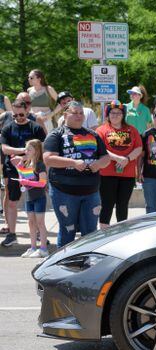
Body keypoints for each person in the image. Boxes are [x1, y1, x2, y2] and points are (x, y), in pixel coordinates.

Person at [43, 102, 110, 247]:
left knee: (90, 234)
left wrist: (98, 164)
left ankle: (87, 265)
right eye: (75, 113)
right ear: (65, 114)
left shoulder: (93, 134)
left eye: (81, 113)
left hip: (91, 192)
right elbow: (48, 158)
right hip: (64, 192)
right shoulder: (56, 134)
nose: (79, 116)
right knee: (68, 231)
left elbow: (105, 158)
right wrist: (73, 163)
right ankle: (62, 266)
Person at [0, 100, 46, 247]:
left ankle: (40, 234)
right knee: (12, 202)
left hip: (34, 170)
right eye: (15, 114)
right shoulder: (7, 128)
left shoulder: (36, 127)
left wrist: (25, 157)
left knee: (35, 202)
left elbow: (43, 147)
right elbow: (5, 149)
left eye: (21, 114)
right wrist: (23, 151)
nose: (18, 117)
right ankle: (12, 234)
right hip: (12, 169)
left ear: (27, 111)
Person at [95, 101, 143, 229]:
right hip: (106, 174)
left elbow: (138, 148)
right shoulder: (101, 130)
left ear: (123, 115)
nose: (115, 115)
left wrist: (127, 159)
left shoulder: (132, 130)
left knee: (122, 205)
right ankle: (104, 234)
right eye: (112, 113)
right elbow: (101, 149)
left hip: (127, 175)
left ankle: (122, 233)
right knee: (107, 205)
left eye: (118, 113)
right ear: (107, 114)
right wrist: (117, 158)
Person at [13, 139, 49, 257]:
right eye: (26, 149)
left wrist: (26, 181)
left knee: (40, 223)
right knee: (31, 222)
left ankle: (43, 249)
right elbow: (22, 179)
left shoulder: (40, 164)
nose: (26, 151)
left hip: (39, 197)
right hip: (29, 197)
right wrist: (19, 167)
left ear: (36, 150)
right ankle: (33, 247)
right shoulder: (27, 164)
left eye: (29, 149)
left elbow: (43, 183)